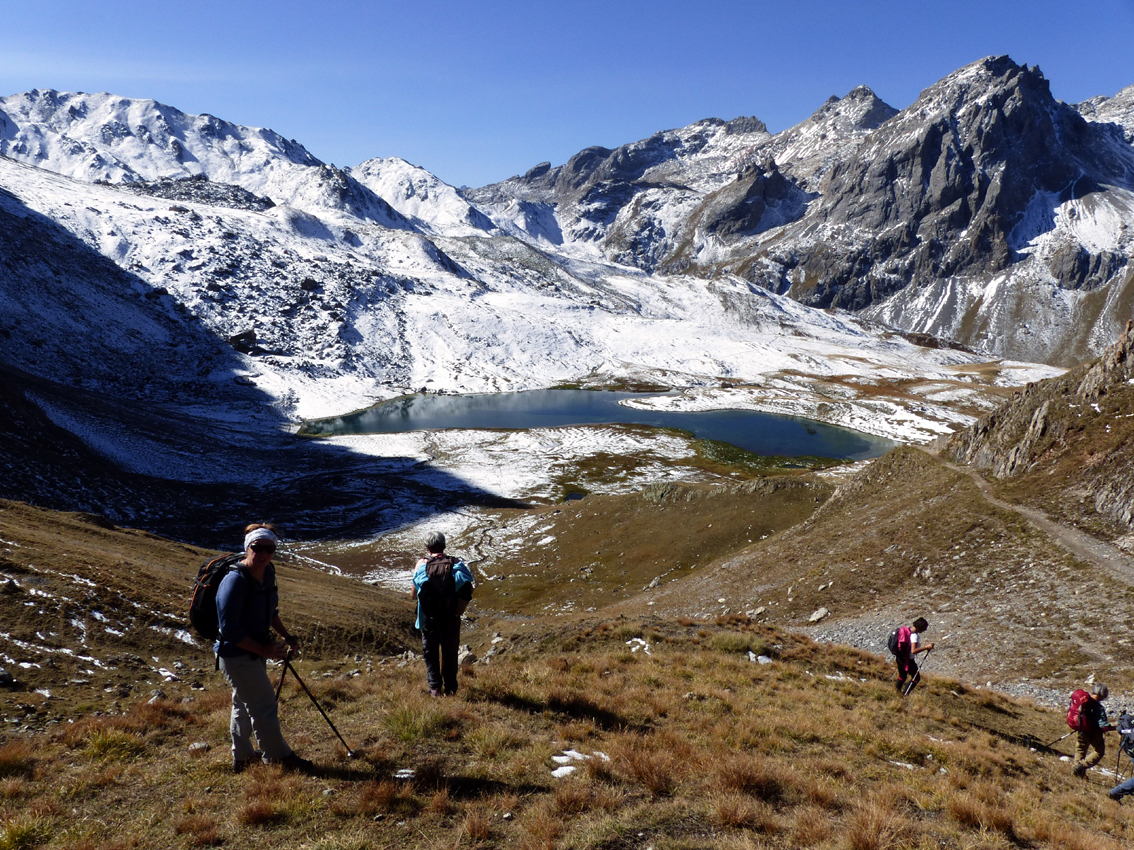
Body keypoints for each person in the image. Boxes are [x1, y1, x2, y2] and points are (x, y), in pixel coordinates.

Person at [215, 523, 314, 773]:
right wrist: (265, 650)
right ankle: (278, 757)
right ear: (247, 547)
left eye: (270, 549)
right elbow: (230, 631)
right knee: (264, 704)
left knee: (244, 703)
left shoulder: (268, 573)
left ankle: (244, 757)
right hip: (237, 654)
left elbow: (270, 612)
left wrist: (286, 635)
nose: (264, 554)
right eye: (258, 548)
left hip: (254, 651)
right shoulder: (234, 581)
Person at [410, 531, 474, 696]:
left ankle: (434, 689)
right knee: (450, 653)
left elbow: (412, 595)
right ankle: (451, 688)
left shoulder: (422, 565)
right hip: (451, 618)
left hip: (428, 620)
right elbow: (468, 585)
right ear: (444, 545)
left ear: (427, 547)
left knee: (430, 653)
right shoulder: (456, 564)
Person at [1073, 683, 1114, 778]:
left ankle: (1077, 772)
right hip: (1094, 732)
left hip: (1081, 729)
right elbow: (1103, 726)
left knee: (1080, 750)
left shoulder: (1084, 702)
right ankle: (1081, 767)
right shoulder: (1098, 708)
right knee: (1099, 751)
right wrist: (1115, 727)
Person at [894, 617, 934, 695]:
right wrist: (926, 647)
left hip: (900, 656)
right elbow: (913, 651)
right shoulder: (914, 636)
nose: (925, 630)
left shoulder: (907, 630)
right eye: (924, 628)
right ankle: (905, 695)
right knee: (916, 678)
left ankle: (896, 692)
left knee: (902, 676)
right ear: (920, 628)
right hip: (908, 660)